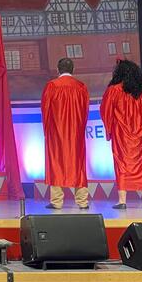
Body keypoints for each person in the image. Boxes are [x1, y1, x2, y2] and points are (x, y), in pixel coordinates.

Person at [101, 60, 142, 210]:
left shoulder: (114, 90)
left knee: (122, 164)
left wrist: (109, 130)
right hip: (140, 133)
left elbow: (106, 111)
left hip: (121, 134)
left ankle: (122, 200)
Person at [41, 58, 90, 209]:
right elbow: (85, 110)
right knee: (78, 163)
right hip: (76, 132)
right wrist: (81, 127)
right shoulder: (81, 87)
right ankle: (82, 201)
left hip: (56, 131)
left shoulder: (52, 86)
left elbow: (45, 109)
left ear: (58, 69)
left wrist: (47, 130)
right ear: (73, 69)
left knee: (56, 162)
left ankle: (57, 201)